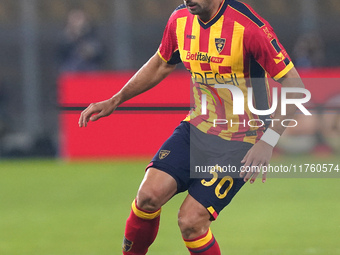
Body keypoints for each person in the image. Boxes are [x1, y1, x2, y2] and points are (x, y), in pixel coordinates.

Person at [79, 0, 305, 254]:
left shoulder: (249, 27)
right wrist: (115, 99)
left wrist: (268, 140)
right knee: (147, 197)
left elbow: (296, 88)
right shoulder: (179, 19)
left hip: (242, 139)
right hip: (197, 127)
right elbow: (162, 62)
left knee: (191, 221)